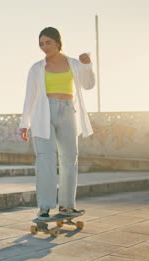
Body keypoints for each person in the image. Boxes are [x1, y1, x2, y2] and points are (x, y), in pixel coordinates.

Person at [19, 27, 95, 220]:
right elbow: (30, 97)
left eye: (48, 42)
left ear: (58, 42)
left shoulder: (75, 64)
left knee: (70, 159)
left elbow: (88, 85)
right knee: (45, 159)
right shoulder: (36, 68)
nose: (44, 47)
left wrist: (88, 66)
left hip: (69, 112)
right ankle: (44, 207)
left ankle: (67, 206)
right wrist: (24, 123)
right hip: (43, 114)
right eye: (41, 44)